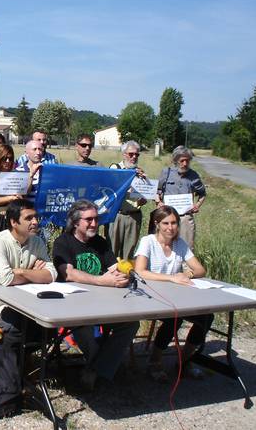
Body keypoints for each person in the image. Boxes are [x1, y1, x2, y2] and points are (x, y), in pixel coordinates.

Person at [0, 199, 56, 419]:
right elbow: (6, 278)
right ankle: (10, 383)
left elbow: (52, 275)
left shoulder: (37, 242)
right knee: (12, 329)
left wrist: (22, 271)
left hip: (30, 304)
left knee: (50, 324)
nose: (35, 222)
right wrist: (31, 274)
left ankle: (21, 371)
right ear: (13, 222)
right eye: (28, 218)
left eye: (35, 217)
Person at [53, 199, 139, 390]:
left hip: (103, 303)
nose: (94, 223)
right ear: (76, 222)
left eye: (96, 219)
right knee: (88, 335)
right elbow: (68, 273)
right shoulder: (63, 242)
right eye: (89, 220)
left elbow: (113, 267)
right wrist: (101, 280)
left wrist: (121, 275)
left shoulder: (100, 242)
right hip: (74, 306)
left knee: (131, 323)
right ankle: (102, 367)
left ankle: (94, 369)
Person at [134, 205, 214, 381]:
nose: (171, 227)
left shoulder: (180, 243)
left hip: (176, 295)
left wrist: (186, 274)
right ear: (157, 224)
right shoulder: (148, 241)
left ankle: (184, 361)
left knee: (207, 317)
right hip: (151, 294)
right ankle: (154, 361)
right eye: (166, 223)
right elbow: (140, 271)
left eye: (174, 223)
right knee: (174, 318)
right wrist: (171, 278)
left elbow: (200, 269)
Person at [157, 146, 206, 249]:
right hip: (167, 218)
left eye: (187, 161)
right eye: (182, 160)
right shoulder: (166, 172)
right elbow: (157, 191)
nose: (185, 164)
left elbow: (202, 194)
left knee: (187, 250)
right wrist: (158, 202)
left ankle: (185, 266)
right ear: (175, 160)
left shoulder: (194, 175)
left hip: (185, 218)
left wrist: (197, 205)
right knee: (165, 248)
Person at [106, 140, 148, 260]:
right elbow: (111, 190)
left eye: (137, 154)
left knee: (128, 253)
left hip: (134, 216)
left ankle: (127, 276)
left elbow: (144, 194)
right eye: (131, 154)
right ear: (124, 154)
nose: (134, 157)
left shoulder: (139, 172)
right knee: (112, 251)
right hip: (117, 215)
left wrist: (143, 199)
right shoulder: (115, 168)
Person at [0, 145, 25, 247]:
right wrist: (10, 198)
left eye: (10, 158)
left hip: (12, 220)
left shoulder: (16, 176)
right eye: (4, 158)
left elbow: (23, 197)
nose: (7, 161)